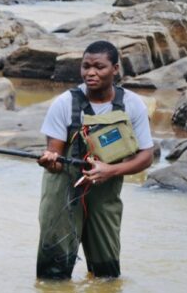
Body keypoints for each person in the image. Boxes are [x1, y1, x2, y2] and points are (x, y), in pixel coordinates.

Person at [36, 40, 153, 280]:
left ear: (115, 69)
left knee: (107, 275)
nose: (90, 73)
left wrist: (110, 170)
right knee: (53, 276)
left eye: (99, 67)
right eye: (85, 66)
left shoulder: (132, 104)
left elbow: (146, 156)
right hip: (64, 195)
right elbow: (56, 160)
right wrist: (50, 161)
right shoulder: (64, 103)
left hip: (105, 195)